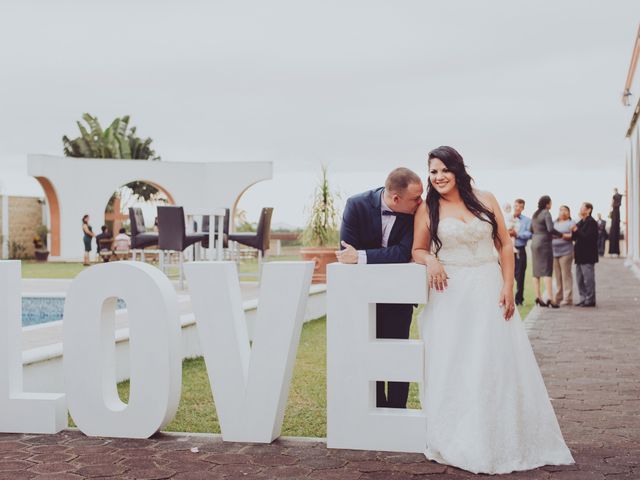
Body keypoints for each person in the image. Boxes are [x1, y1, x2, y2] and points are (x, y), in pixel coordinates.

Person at [412, 146, 573, 474]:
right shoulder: (428, 208)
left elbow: (504, 244)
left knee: (492, 360)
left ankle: (499, 435)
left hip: (488, 288)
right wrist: (431, 259)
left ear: (457, 170)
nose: (439, 177)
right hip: (451, 294)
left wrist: (508, 286)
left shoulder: (485, 199)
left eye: (444, 170)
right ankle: (458, 435)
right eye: (433, 172)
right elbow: (417, 248)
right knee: (455, 362)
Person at [336, 167, 423, 408]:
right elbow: (346, 254)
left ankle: (397, 410)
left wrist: (362, 256)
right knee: (367, 357)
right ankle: (373, 411)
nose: (420, 202)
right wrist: (362, 257)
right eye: (416, 198)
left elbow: (404, 252)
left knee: (398, 358)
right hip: (363, 299)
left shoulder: (415, 213)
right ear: (396, 199)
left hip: (399, 298)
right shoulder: (356, 205)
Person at [565, 202, 598, 307]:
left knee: (588, 279)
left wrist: (576, 230)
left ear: (588, 210)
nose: (580, 209)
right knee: (579, 279)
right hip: (579, 256)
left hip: (588, 256)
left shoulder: (592, 222)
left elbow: (587, 237)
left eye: (582, 208)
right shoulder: (581, 222)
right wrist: (575, 230)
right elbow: (575, 236)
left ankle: (590, 299)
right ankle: (583, 298)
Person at [530, 195, 561, 308]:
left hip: (534, 242)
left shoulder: (535, 214)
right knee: (547, 271)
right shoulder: (546, 213)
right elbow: (550, 229)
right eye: (551, 203)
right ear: (547, 204)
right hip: (544, 243)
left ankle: (538, 297)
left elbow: (530, 229)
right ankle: (550, 299)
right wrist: (561, 235)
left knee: (536, 271)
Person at [509, 199, 531, 306]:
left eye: (520, 206)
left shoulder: (527, 220)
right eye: (516, 205)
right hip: (508, 250)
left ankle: (519, 300)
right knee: (506, 275)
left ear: (523, 208)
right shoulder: (507, 218)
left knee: (520, 276)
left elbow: (529, 234)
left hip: (520, 249)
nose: (517, 208)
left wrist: (517, 234)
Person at [552, 206, 575, 306]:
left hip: (566, 252)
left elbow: (572, 236)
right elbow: (549, 234)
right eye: (561, 210)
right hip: (554, 252)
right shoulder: (554, 223)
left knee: (566, 275)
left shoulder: (571, 223)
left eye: (565, 210)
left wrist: (561, 235)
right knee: (558, 276)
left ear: (569, 213)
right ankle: (558, 297)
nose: (563, 212)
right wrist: (562, 235)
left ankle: (568, 298)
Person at [607, 188, 622, 256]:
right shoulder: (614, 211)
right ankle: (613, 251)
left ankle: (614, 251)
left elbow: (613, 204)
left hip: (615, 217)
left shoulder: (616, 197)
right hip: (614, 218)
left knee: (614, 232)